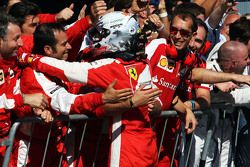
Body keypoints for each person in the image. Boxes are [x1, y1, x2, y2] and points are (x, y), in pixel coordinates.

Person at [19, 11, 163, 167]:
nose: (96, 38)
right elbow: (157, 105)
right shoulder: (143, 64)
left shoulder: (113, 67)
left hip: (127, 151)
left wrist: (28, 57)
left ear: (116, 34)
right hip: (148, 145)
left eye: (101, 33)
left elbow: (69, 70)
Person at [0, 13, 49, 165]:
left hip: (6, 143)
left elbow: (11, 101)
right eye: (16, 38)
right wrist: (25, 99)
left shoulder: (11, 65)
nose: (21, 43)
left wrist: (34, 110)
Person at [204, 41, 250, 166]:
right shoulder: (206, 70)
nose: (248, 61)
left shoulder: (237, 74)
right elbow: (229, 97)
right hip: (200, 131)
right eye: (246, 58)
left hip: (224, 131)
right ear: (234, 63)